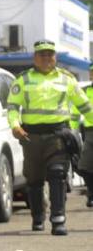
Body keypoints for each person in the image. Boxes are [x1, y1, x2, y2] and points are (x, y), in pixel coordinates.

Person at [7, 40, 93, 235]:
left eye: (50, 54)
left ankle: (58, 220)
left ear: (55, 57)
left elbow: (85, 106)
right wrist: (15, 125)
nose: (46, 58)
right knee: (34, 179)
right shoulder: (23, 80)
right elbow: (12, 108)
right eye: (42, 54)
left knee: (57, 174)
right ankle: (38, 217)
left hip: (58, 135)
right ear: (34, 58)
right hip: (32, 137)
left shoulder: (67, 79)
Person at [76, 65, 93, 207]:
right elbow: (75, 112)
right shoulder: (85, 91)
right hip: (89, 132)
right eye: (92, 72)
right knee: (83, 167)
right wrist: (72, 130)